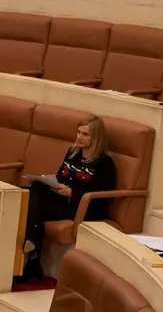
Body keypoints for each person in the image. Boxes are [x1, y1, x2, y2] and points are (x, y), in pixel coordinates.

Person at [19, 115, 116, 281]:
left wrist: (72, 193)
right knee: (30, 191)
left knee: (31, 207)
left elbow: (100, 197)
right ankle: (32, 260)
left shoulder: (104, 163)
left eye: (85, 134)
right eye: (78, 132)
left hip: (83, 209)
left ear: (97, 138)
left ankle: (33, 258)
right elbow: (61, 178)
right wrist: (53, 184)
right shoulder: (72, 153)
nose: (79, 137)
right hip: (62, 200)